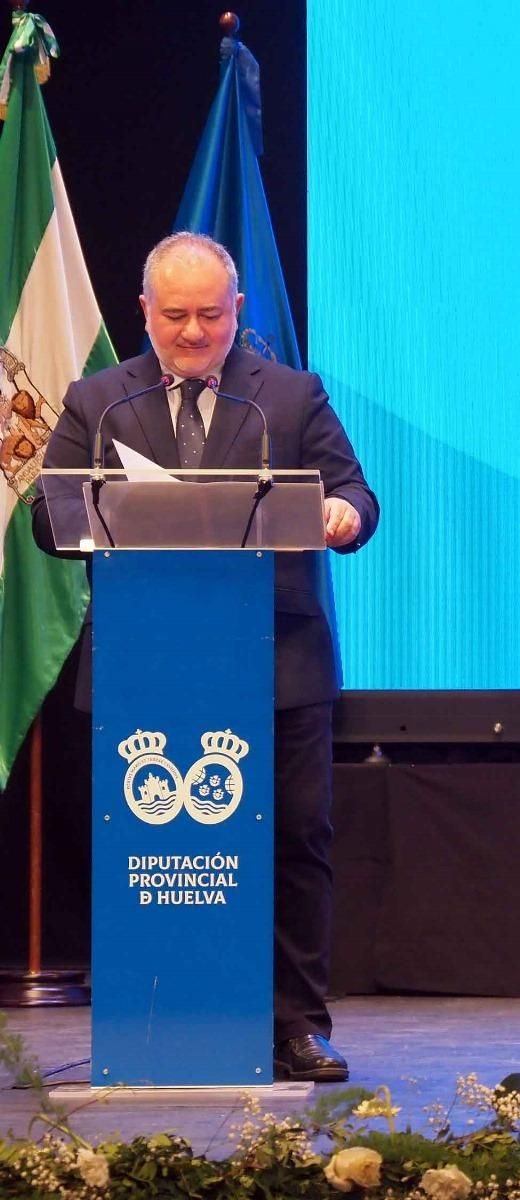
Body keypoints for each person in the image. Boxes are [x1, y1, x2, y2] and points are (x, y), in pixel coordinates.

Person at [33, 232, 378, 1082]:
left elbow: (357, 495)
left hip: (276, 663)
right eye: (177, 316)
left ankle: (297, 1024)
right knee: (156, 841)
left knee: (297, 840)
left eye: (211, 316)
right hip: (151, 669)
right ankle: (162, 1014)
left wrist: (341, 516)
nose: (194, 334)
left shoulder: (291, 398)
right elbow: (50, 521)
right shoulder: (98, 402)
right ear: (144, 311)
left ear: (238, 313)